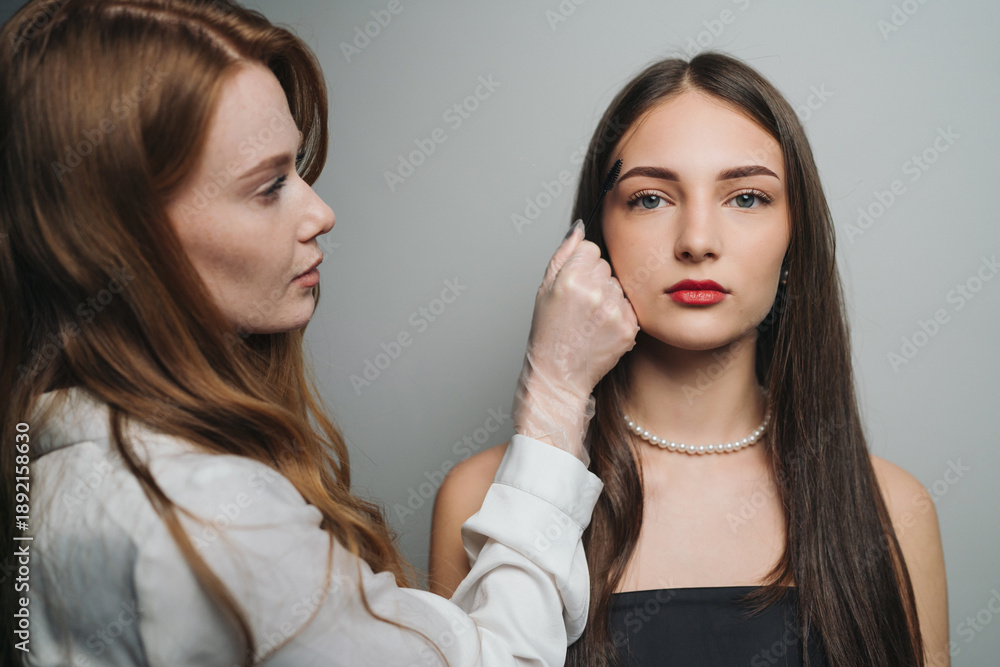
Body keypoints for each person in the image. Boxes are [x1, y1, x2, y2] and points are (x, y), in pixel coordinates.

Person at [0, 1, 638, 665]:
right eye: (269, 185)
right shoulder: (210, 517)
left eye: (298, 170)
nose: (321, 212)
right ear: (121, 237)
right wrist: (554, 396)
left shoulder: (55, 466)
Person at [430, 52, 949, 666]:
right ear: (596, 234)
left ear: (795, 236)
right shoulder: (483, 500)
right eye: (651, 199)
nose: (697, 241)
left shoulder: (895, 509)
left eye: (747, 197)